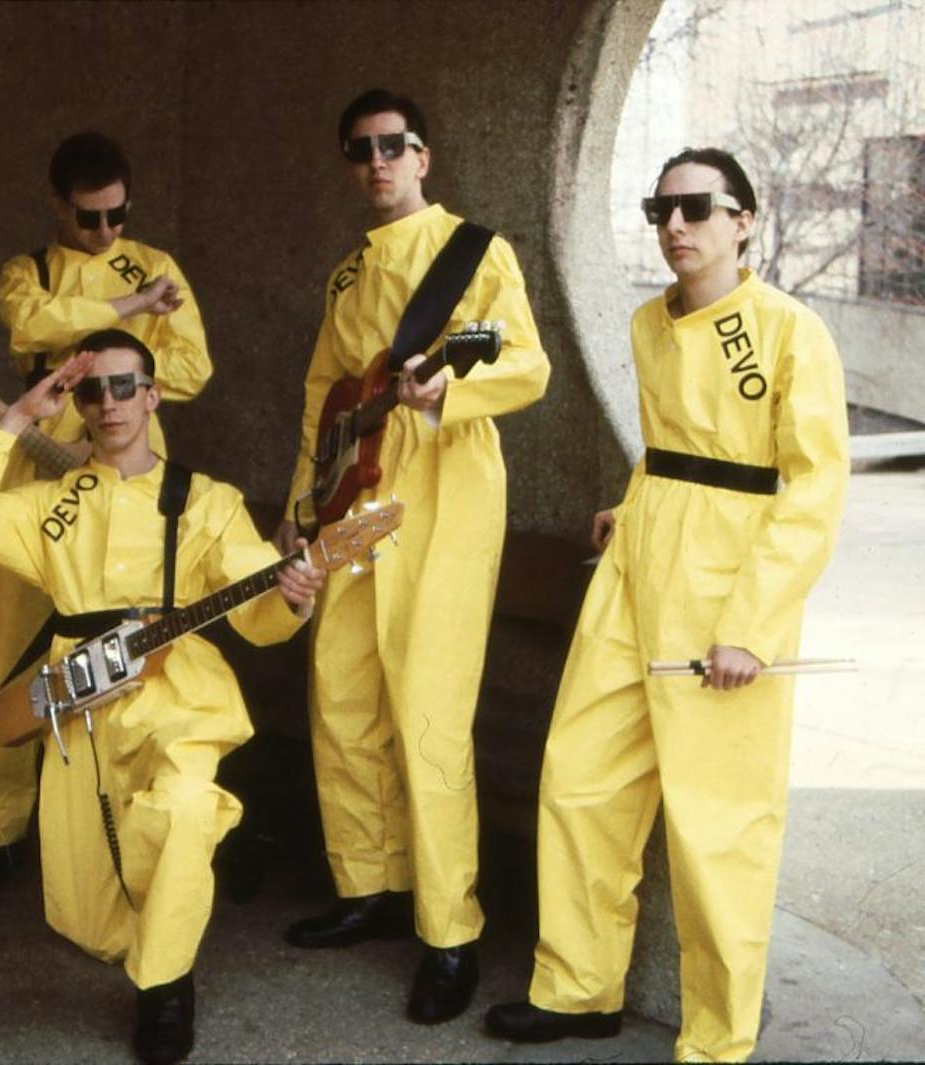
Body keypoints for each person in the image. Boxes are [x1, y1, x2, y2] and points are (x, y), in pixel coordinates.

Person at [485, 148, 849, 1062]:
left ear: (744, 220)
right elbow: (671, 449)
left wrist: (751, 630)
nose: (675, 226)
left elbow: (811, 489)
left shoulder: (791, 331)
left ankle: (719, 1037)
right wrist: (634, 502)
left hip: (728, 586)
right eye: (660, 210)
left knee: (719, 819)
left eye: (696, 208)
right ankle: (578, 987)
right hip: (636, 571)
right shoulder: (650, 323)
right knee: (581, 779)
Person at [0, 328, 322, 1064]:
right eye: (90, 390)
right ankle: (191, 881)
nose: (107, 404)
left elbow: (260, 615)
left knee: (181, 808)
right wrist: (20, 415)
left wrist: (294, 596)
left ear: (153, 395)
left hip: (176, 692)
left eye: (122, 386)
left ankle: (167, 990)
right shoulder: (51, 501)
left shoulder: (203, 499)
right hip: (76, 700)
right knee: (87, 909)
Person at [276, 88, 550, 1023]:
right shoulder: (346, 273)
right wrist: (301, 507)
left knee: (427, 709)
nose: (379, 161)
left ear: (424, 156)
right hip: (356, 500)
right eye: (361, 150)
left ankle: (449, 929)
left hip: (442, 497)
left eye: (395, 145)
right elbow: (326, 392)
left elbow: (525, 361)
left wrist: (441, 388)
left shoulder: (476, 251)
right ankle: (370, 883)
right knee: (343, 692)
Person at [0, 132, 212, 887]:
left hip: (127, 451)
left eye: (117, 215)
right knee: (14, 637)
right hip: (43, 450)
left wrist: (122, 380)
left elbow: (195, 365)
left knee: (127, 623)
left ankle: (121, 806)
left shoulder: (159, 262)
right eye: (89, 218)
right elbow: (28, 326)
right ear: (57, 206)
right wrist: (134, 309)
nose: (106, 232)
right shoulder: (26, 269)